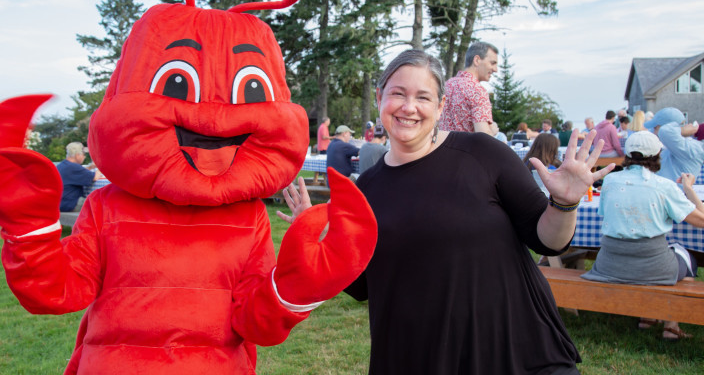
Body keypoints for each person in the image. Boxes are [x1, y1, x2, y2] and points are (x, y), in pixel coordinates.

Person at [280, 49, 613, 374]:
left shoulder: (483, 154)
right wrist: (322, 240)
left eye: (423, 98)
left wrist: (565, 203)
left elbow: (548, 241)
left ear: (440, 107)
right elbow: (362, 286)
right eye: (398, 93)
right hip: (418, 354)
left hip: (514, 347)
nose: (409, 107)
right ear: (380, 97)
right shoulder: (364, 189)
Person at [581, 131, 704, 340]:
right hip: (653, 267)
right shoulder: (664, 186)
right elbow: (701, 222)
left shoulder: (610, 181)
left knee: (668, 252)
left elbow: (605, 214)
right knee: (689, 257)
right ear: (657, 155)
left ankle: (648, 316)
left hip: (609, 265)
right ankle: (671, 323)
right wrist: (688, 189)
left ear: (628, 154)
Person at [439, 41, 499, 135]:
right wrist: (493, 131)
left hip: (442, 148)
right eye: (492, 63)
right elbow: (484, 138)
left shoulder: (446, 86)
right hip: (466, 149)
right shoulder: (477, 91)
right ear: (477, 60)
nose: (496, 69)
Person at [644, 107, 704, 183]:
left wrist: (683, 130)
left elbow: (665, 131)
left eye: (655, 127)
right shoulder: (676, 146)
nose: (653, 131)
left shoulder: (692, 149)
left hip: (672, 193)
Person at [56, 142, 103, 212]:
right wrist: (100, 165)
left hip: (59, 204)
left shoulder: (62, 165)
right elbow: (95, 177)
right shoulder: (74, 167)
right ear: (77, 155)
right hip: (68, 205)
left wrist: (90, 167)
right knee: (97, 202)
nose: (84, 157)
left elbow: (80, 172)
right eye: (84, 154)